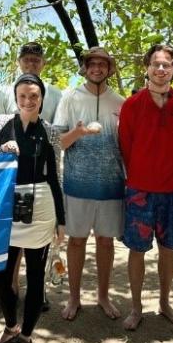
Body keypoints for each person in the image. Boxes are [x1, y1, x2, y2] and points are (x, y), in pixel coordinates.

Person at [0, 73, 65, 343]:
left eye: (34, 96)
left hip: (40, 206)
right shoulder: (2, 124)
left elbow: (56, 175)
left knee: (35, 278)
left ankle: (26, 337)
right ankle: (10, 326)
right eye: (23, 96)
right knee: (0, 278)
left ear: (42, 98)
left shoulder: (50, 132)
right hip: (6, 205)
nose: (29, 101)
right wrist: (0, 150)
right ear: (15, 98)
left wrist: (61, 220)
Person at [118, 44, 173, 331]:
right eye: (156, 64)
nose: (161, 69)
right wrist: (140, 174)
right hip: (139, 189)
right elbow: (125, 146)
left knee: (168, 249)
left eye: (167, 64)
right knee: (137, 250)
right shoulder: (132, 104)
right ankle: (136, 307)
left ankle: (164, 303)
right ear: (147, 67)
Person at [53, 46, 125, 321]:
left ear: (109, 69)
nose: (97, 68)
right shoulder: (69, 98)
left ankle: (103, 296)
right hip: (77, 184)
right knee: (76, 242)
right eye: (92, 64)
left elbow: (127, 145)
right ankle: (74, 297)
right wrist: (79, 132)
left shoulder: (120, 102)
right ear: (85, 67)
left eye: (102, 64)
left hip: (112, 184)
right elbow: (58, 143)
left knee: (106, 242)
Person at [0, 42, 63, 123]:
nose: (31, 64)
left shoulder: (55, 94)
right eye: (26, 60)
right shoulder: (5, 93)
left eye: (36, 60)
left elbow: (60, 129)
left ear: (44, 63)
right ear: (18, 62)